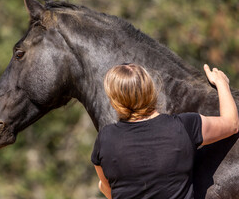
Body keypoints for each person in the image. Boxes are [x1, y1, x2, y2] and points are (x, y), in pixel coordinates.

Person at [91, 63, 239, 199]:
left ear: (114, 100)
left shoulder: (105, 139)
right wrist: (222, 83)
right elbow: (232, 124)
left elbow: (108, 189)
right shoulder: (185, 126)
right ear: (150, 89)